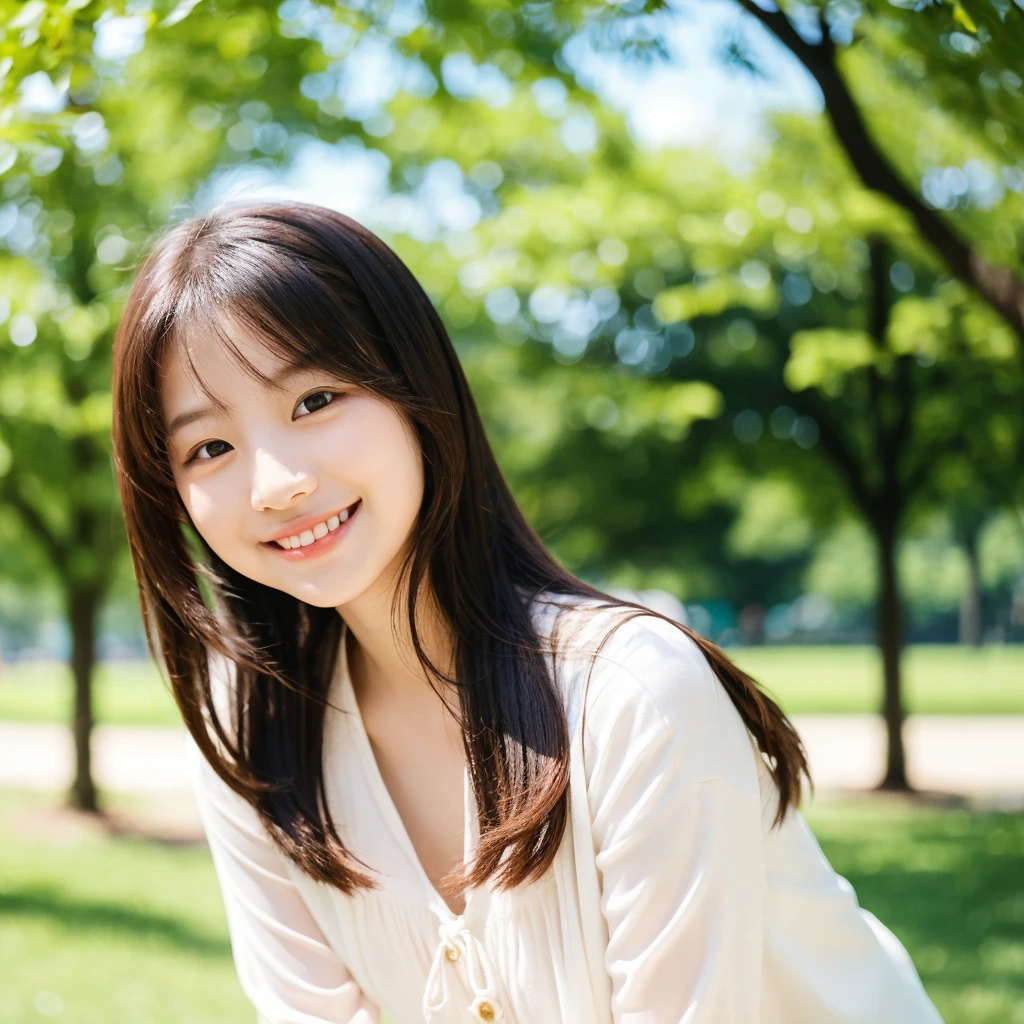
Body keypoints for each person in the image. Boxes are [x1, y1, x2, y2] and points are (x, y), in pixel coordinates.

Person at [110, 200, 945, 1024]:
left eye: (315, 400)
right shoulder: (251, 733)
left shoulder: (631, 696)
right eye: (209, 447)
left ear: (416, 387)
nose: (276, 483)